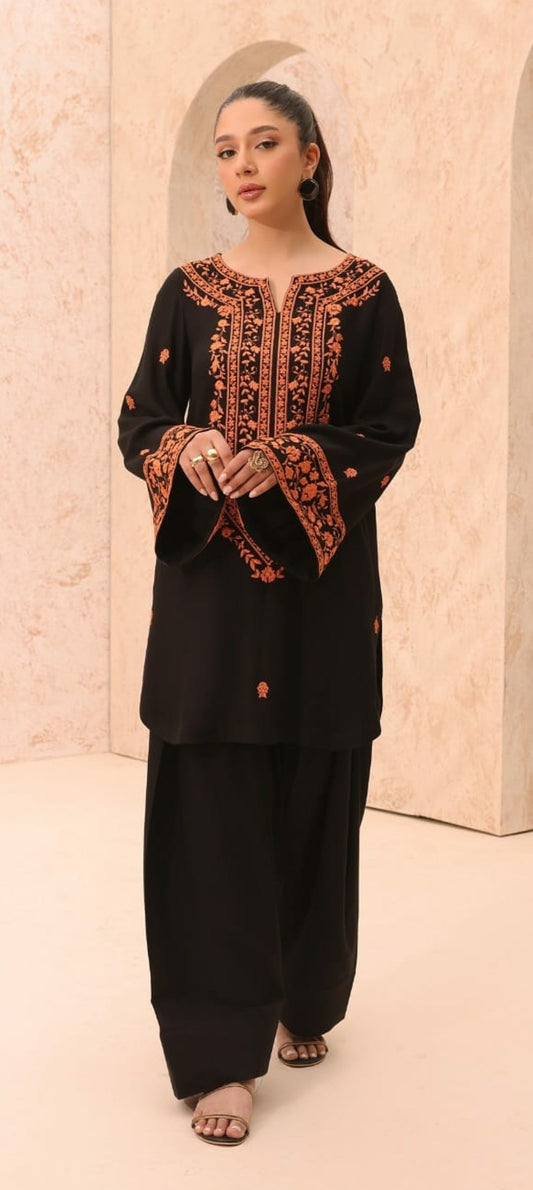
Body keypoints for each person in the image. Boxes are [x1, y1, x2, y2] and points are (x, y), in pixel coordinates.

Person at [117, 79, 420, 1147]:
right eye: (224, 149)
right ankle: (218, 1054)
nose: (240, 165)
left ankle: (300, 995)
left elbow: (389, 426)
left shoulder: (365, 291)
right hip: (209, 589)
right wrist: (187, 446)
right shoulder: (188, 293)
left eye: (263, 143)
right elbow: (139, 420)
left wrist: (292, 460)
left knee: (314, 786)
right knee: (207, 803)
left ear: (309, 157)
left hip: (322, 589)